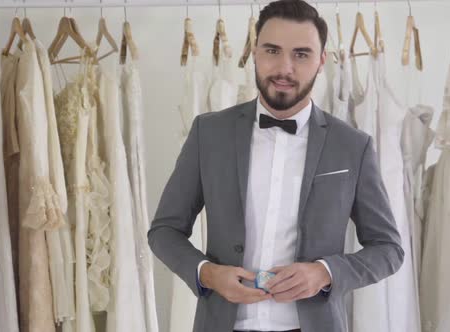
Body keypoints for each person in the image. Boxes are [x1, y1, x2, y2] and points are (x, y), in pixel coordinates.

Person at [147, 1, 404, 331]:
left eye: (301, 54)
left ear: (322, 61)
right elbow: (164, 231)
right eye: (272, 50)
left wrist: (325, 272)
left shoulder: (352, 146)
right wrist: (208, 274)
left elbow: (388, 249)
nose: (285, 67)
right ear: (255, 53)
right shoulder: (208, 133)